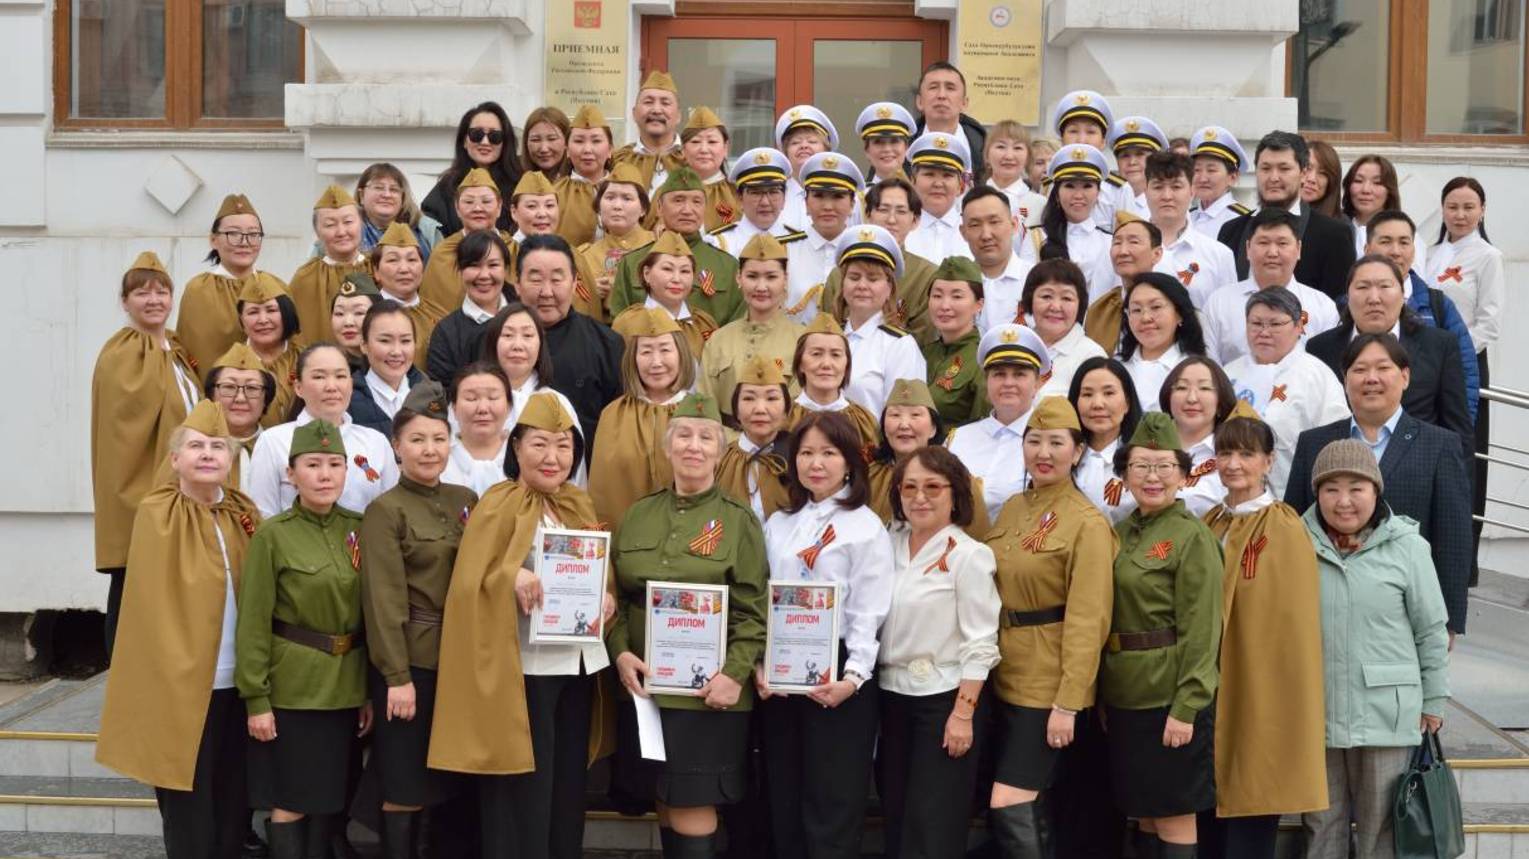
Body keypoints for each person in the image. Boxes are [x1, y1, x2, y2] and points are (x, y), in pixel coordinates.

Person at [430, 391, 612, 859]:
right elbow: (469, 581)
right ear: (516, 447)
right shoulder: (498, 503)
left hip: (576, 666)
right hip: (524, 670)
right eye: (539, 444)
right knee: (523, 787)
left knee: (567, 784)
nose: (553, 457)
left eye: (563, 446)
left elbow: (596, 568)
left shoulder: (578, 504)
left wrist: (605, 595)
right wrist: (510, 575)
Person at [96, 401, 260, 859]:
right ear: (174, 459)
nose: (207, 454)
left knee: (233, 796)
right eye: (196, 446)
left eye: (217, 446)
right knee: (188, 796)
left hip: (238, 680)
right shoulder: (158, 513)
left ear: (231, 459)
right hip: (183, 684)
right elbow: (150, 607)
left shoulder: (243, 513)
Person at [607, 392, 768, 858]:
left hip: (709, 694)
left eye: (705, 438)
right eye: (683, 436)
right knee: (663, 795)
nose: (693, 446)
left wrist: (734, 675)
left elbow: (752, 610)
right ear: (668, 446)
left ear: (720, 451)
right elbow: (619, 599)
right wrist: (620, 651)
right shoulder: (638, 514)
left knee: (692, 802)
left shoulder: (738, 521)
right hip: (646, 689)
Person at [1299, 439, 1450, 859]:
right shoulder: (1295, 543)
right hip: (1317, 710)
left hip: (1387, 711)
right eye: (1331, 489)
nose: (1343, 501)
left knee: (1381, 828)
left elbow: (1431, 630)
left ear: (1376, 491)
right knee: (1320, 825)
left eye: (1356, 488)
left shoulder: (1408, 547)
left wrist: (1434, 699)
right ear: (1317, 493)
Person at [983, 396, 1116, 858]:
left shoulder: (1087, 523)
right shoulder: (1013, 508)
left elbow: (1088, 618)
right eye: (1034, 441)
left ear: (1077, 452)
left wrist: (1069, 701)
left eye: (1056, 443)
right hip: (1002, 672)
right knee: (1027, 801)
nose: (1043, 452)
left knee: (1011, 799)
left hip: (1046, 682)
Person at [759, 410, 894, 859]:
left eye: (829, 453)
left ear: (850, 461)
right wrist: (761, 664)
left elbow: (868, 610)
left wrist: (853, 677)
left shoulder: (865, 527)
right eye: (806, 453)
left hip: (838, 672)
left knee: (832, 799)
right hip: (781, 672)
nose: (816, 463)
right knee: (785, 792)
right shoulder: (779, 524)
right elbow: (763, 598)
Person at [236, 417, 372, 858]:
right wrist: (256, 699)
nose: (325, 475)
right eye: (313, 465)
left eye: (335, 464)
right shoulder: (273, 535)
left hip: (345, 687)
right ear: (291, 474)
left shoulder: (359, 528)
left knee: (330, 798)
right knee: (292, 799)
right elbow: (254, 621)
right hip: (293, 690)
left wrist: (366, 692)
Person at [1196, 403, 1327, 859]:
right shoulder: (1210, 521)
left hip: (1257, 683)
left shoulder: (1283, 525)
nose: (1234, 464)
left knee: (1251, 795)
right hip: (1208, 681)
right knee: (1205, 804)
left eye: (1247, 454)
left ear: (1269, 461)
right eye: (1225, 453)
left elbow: (1290, 621)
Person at [1284, 333, 1473, 637]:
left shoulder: (1440, 445)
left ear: (1405, 376)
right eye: (1359, 370)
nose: (1371, 378)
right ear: (1345, 379)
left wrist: (1449, 620)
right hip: (1322, 606)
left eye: (1383, 368)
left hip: (1403, 611)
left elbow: (1453, 537)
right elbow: (1292, 527)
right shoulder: (1314, 443)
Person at [357, 382, 477, 859]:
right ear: (397, 447)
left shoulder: (466, 499)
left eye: (439, 439)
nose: (430, 450)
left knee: (450, 777)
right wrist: (396, 677)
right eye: (417, 440)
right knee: (404, 781)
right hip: (413, 661)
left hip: (460, 660)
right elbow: (382, 601)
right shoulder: (385, 510)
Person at [1101, 412, 1223, 859]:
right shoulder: (1119, 533)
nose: (1152, 477)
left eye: (1165, 466)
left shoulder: (1192, 536)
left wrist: (1187, 706)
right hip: (1125, 694)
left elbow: (1202, 628)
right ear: (1124, 473)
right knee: (1144, 812)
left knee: (1173, 813)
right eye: (1140, 466)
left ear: (1184, 474)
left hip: (1168, 697)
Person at [879, 445, 1000, 859]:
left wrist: (963, 714)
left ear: (955, 494)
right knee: (896, 817)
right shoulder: (887, 543)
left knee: (933, 824)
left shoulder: (970, 555)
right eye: (909, 487)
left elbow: (981, 643)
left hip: (944, 701)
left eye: (933, 487)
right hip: (890, 698)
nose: (920, 497)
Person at [92, 251, 202, 655]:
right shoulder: (124, 352)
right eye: (142, 293)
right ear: (125, 302)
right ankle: (122, 672)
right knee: (131, 585)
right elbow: (125, 431)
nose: (154, 300)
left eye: (161, 292)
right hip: (143, 489)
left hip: (184, 485)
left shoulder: (175, 347)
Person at [1306, 255, 1471, 452]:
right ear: (1348, 296)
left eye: (1384, 286)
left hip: (1419, 463)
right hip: (1339, 463)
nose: (1374, 298)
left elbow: (1458, 429)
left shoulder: (1439, 345)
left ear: (1403, 295)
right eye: (1362, 287)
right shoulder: (1319, 348)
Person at [1427, 175, 1503, 565]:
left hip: (1464, 366)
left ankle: (1462, 560)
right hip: (1425, 367)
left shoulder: (1488, 256)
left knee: (1463, 456)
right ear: (1442, 209)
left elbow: (1489, 323)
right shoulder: (1429, 253)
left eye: (1469, 207)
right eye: (1453, 206)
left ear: (1482, 211)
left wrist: (1452, 356)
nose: (1460, 214)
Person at [1223, 288, 1351, 497]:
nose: (1264, 332)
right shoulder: (1228, 374)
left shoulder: (1317, 375)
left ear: (1298, 326)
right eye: (1256, 323)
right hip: (1230, 496)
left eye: (1275, 324)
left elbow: (1335, 443)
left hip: (1291, 498)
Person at [249, 343, 399, 518]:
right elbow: (263, 516)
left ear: (351, 384)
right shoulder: (273, 441)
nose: (331, 386)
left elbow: (392, 512)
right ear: (298, 387)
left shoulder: (376, 441)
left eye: (340, 376)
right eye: (319, 377)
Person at [512, 234, 624, 465]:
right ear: (517, 285)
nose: (546, 292)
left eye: (556, 279)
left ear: (574, 283)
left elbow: (618, 427)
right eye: (536, 279)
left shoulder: (606, 344)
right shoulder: (492, 341)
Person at [1361, 210, 1478, 421]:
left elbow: (1466, 373)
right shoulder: (1347, 304)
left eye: (1404, 242)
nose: (1395, 251)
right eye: (1386, 241)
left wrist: (1458, 431)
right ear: (1367, 249)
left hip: (1424, 429)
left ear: (1414, 251)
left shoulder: (1438, 305)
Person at [589, 308, 695, 529]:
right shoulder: (613, 415)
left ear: (681, 354)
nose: (656, 362)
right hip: (625, 537)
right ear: (633, 359)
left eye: (665, 350)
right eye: (646, 351)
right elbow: (602, 491)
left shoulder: (699, 412)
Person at [1216, 131, 1356, 298]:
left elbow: (1339, 304)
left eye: (1284, 169)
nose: (1274, 177)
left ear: (1303, 173)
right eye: (1266, 168)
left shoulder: (1334, 235)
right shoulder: (1231, 231)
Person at [1202, 207, 1339, 365]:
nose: (1272, 252)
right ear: (1248, 248)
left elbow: (1326, 368)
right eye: (1263, 242)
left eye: (1282, 243)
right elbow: (1208, 366)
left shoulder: (1322, 306)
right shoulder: (1219, 303)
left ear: (1298, 249)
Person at [611, 167, 744, 325]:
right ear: (659, 208)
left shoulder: (728, 266)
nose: (687, 210)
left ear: (705, 209)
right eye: (678, 200)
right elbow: (620, 325)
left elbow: (738, 326)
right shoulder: (632, 263)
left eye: (696, 202)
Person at [820, 177, 941, 343]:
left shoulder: (927, 275)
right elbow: (827, 328)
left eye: (901, 211)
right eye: (883, 210)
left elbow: (924, 338)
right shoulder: (840, 273)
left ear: (915, 220)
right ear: (868, 215)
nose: (891, 220)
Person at [947, 324, 1049, 518]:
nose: (1008, 383)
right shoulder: (959, 438)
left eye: (1019, 374)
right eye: (999, 374)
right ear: (987, 382)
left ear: (1037, 383)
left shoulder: (1050, 442)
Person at [700, 234, 804, 422]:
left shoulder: (803, 341)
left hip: (783, 438)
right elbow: (705, 407)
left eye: (771, 277)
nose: (761, 287)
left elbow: (801, 410)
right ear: (739, 278)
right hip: (725, 438)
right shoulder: (719, 340)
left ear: (785, 279)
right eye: (752, 276)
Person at [867, 379, 989, 533]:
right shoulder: (870, 476)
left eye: (915, 415)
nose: (904, 425)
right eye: (895, 415)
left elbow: (978, 533)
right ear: (884, 427)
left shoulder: (956, 477)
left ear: (933, 428)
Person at [179, 193, 281, 372]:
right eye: (233, 234)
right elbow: (190, 352)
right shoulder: (199, 290)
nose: (244, 242)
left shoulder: (276, 287)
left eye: (253, 234)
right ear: (213, 240)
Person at [837, 224, 925, 418]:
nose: (862, 285)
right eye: (854, 277)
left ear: (889, 288)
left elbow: (904, 418)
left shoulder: (900, 346)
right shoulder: (830, 337)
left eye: (873, 279)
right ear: (842, 284)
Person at [1018, 145, 1114, 299]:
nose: (1078, 195)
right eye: (1069, 186)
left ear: (1098, 194)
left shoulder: (1110, 241)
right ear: (1056, 194)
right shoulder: (1036, 237)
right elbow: (1026, 290)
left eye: (1087, 186)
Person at [784, 152, 868, 325]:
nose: (828, 206)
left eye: (838, 197)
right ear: (806, 203)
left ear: (852, 204)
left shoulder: (865, 253)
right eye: (819, 196)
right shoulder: (783, 250)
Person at [1144, 151, 1236, 308]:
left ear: (1192, 191)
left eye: (1176, 187)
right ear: (1146, 192)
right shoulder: (1125, 250)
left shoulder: (1219, 255)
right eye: (1158, 187)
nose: (1167, 196)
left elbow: (1227, 314)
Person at [418, 168, 516, 312]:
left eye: (486, 201)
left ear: (499, 207)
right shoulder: (443, 253)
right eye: (469, 202)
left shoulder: (515, 249)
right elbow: (432, 308)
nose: (477, 208)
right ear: (457, 208)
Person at [787, 314, 882, 457]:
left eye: (836, 355)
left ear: (847, 364)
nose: (826, 364)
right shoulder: (783, 417)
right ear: (800, 363)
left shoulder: (864, 422)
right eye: (816, 354)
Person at [420, 102, 520, 236]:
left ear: (505, 143)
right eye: (476, 134)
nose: (485, 142)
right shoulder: (447, 187)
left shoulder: (520, 185)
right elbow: (429, 233)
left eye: (494, 136)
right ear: (464, 141)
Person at [613, 231, 718, 358]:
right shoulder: (627, 324)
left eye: (685, 271)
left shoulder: (704, 323)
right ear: (647, 274)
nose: (677, 279)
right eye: (667, 269)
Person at [574, 162, 656, 324]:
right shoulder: (584, 256)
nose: (617, 206)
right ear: (599, 207)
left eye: (627, 198)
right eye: (610, 197)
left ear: (643, 209)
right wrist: (590, 294)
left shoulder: (659, 247)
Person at [426, 230, 511, 385]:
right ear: (460, 271)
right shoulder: (446, 333)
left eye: (493, 265)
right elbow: (442, 391)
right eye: (474, 266)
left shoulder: (527, 321)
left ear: (506, 270)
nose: (484, 275)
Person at [716, 356, 792, 523]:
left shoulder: (799, 458)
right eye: (749, 398)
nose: (760, 409)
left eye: (771, 398)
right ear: (736, 409)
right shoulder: (719, 461)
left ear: (786, 409)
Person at [289, 185, 369, 342]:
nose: (341, 232)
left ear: (361, 224)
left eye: (348, 222)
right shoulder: (305, 277)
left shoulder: (379, 267)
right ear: (317, 232)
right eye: (330, 225)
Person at [1070, 356, 1144, 524]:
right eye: (1087, 394)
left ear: (1127, 403)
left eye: (1109, 393)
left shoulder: (1146, 459)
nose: (1097, 404)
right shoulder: (1063, 456)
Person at [1020, 259, 1107, 399]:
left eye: (1066, 298)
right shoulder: (1017, 345)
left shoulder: (1091, 356)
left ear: (1080, 305)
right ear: (1030, 299)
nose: (1055, 307)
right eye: (1046, 296)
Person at [1119, 273, 1207, 410]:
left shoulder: (1198, 370)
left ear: (1179, 313)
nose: (1146, 318)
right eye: (1136, 310)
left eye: (1156, 307)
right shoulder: (1116, 367)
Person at [1163, 356, 1236, 517]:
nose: (1191, 398)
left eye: (1204, 388)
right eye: (1182, 388)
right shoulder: (1146, 447)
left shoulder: (1234, 455)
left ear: (1221, 400)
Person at [372, 221, 448, 370]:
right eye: (393, 260)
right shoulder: (368, 314)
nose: (404, 269)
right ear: (376, 271)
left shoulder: (440, 315)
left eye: (412, 260)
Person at [1049, 89, 1130, 229]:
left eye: (1091, 132)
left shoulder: (1119, 190)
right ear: (1061, 140)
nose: (1082, 140)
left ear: (1103, 141)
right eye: (1073, 131)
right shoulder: (1048, 185)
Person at [1083, 213, 1163, 354]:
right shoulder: (1100, 310)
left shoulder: (1171, 305)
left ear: (1156, 254)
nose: (1123, 251)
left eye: (1134, 242)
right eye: (1117, 243)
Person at [922, 256, 987, 425]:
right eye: (937, 296)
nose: (944, 306)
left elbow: (983, 426)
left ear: (979, 304)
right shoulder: (922, 353)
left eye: (957, 297)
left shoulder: (982, 361)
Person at [961, 185, 1035, 332]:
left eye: (994, 222)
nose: (986, 235)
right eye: (975, 225)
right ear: (963, 232)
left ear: (1014, 225)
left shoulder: (1036, 280)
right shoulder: (955, 283)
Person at [706, 147, 805, 257]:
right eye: (756, 193)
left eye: (773, 192)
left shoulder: (801, 243)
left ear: (784, 198)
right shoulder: (718, 244)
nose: (765, 202)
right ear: (739, 199)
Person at [234, 272, 302, 429]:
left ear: (286, 314)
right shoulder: (229, 367)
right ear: (241, 319)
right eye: (253, 312)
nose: (263, 320)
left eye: (271, 310)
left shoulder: (307, 359)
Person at [348, 302, 426, 436]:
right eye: (385, 341)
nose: (396, 351)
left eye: (405, 341)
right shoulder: (346, 399)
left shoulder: (432, 394)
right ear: (364, 345)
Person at [204, 343, 275, 488]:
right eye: (229, 387)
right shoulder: (193, 448)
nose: (240, 398)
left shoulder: (278, 447)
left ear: (266, 400)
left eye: (252, 388)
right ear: (211, 396)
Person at [440, 362, 511, 496]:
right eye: (471, 399)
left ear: (509, 406)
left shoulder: (524, 456)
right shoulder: (438, 456)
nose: (483, 408)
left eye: (493, 398)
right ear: (454, 408)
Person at [904, 131, 975, 264]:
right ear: (913, 181)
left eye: (947, 175)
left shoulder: (974, 231)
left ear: (960, 186)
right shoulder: (899, 229)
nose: (938, 184)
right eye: (929, 174)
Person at [912, 61, 989, 180]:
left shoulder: (985, 148)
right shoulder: (901, 148)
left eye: (950, 88)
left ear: (964, 103)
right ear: (919, 102)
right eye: (933, 87)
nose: (941, 95)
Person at [354, 162, 444, 264]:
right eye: (378, 188)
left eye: (394, 189)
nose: (387, 195)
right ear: (361, 195)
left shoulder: (427, 231)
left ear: (403, 197)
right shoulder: (348, 231)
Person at [612, 70, 684, 193]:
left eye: (665, 103)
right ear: (634, 113)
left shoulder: (692, 159)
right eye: (648, 102)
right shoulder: (618, 160)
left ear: (678, 116)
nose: (656, 110)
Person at [552, 105, 614, 248]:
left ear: (610, 150)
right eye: (579, 141)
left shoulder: (627, 189)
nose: (587, 149)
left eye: (596, 141)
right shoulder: (555, 194)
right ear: (567, 150)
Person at [776, 104, 842, 231]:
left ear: (826, 149)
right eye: (795, 142)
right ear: (785, 152)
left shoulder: (843, 194)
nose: (804, 146)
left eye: (812, 141)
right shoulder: (774, 195)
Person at [678, 106, 738, 233]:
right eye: (695, 142)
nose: (704, 149)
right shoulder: (667, 192)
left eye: (712, 142)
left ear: (725, 148)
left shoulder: (737, 193)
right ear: (683, 150)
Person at [1186, 126, 1252, 239]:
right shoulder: (1186, 217)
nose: (1202, 178)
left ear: (1232, 177)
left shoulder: (1243, 221)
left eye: (1211, 170)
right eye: (1197, 170)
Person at [985, 120, 1048, 226]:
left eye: (1017, 148)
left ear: (1028, 157)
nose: (1009, 156)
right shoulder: (969, 201)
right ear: (987, 155)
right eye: (1001, 147)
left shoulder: (1040, 205)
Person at [1340, 154, 1401, 258]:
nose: (1366, 190)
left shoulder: (1404, 234)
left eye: (1377, 183)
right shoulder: (1333, 228)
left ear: (1390, 191)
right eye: (1358, 181)